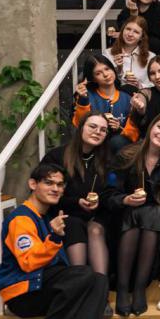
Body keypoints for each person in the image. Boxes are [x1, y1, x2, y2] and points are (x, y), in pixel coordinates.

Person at [0, 163, 109, 319]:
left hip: (41, 287)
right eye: (48, 183)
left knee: (99, 279)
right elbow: (28, 263)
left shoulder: (45, 216)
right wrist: (55, 237)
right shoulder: (22, 218)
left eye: (60, 184)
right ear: (33, 184)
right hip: (22, 294)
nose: (55, 189)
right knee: (83, 274)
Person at [110, 111, 160, 316]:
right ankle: (123, 288)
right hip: (125, 214)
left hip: (156, 216)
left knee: (154, 212)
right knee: (136, 213)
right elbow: (110, 193)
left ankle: (140, 288)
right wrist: (125, 199)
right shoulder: (127, 154)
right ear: (151, 126)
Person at [40, 113, 113, 273]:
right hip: (64, 213)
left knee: (95, 229)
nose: (97, 132)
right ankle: (78, 283)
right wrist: (76, 202)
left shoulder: (107, 159)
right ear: (80, 128)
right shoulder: (57, 156)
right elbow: (44, 192)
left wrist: (99, 201)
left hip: (96, 215)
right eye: (92, 126)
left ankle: (101, 285)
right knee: (74, 224)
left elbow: (111, 192)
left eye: (103, 130)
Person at [72, 55, 133, 153]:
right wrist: (83, 99)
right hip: (93, 147)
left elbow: (133, 133)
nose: (105, 74)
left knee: (118, 142)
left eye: (107, 69)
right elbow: (79, 124)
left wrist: (119, 128)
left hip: (119, 150)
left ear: (113, 69)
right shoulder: (87, 96)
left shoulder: (127, 98)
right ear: (93, 78)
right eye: (98, 73)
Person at [103, 15, 155, 90]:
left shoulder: (150, 57)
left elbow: (155, 83)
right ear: (122, 30)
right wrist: (118, 70)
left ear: (142, 37)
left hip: (140, 95)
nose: (130, 34)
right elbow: (102, 81)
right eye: (128, 29)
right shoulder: (108, 54)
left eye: (136, 32)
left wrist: (140, 85)